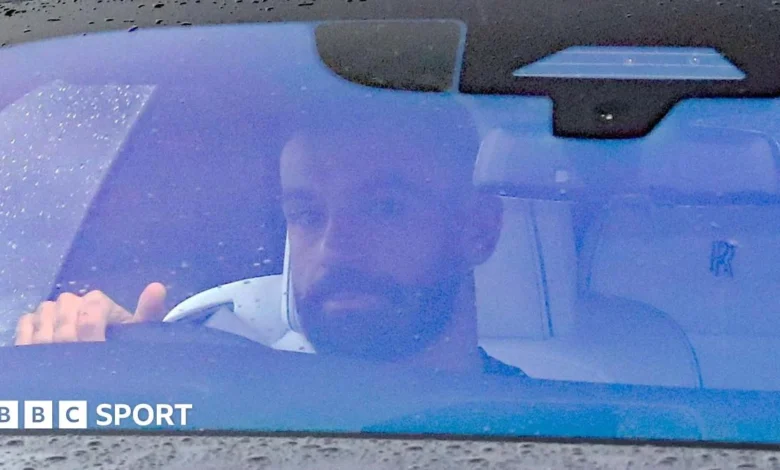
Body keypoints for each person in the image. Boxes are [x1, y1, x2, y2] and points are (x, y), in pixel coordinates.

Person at [13, 93, 524, 376]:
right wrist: (113, 374)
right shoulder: (227, 406)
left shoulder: (546, 421)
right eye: (306, 214)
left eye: (385, 208)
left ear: (477, 230)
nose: (333, 245)